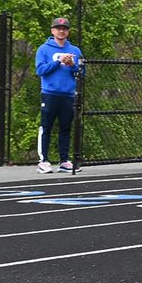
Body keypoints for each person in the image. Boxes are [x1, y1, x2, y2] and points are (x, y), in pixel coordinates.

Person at [34, 16, 83, 173]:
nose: (61, 31)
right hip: (49, 94)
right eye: (58, 29)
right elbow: (40, 70)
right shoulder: (44, 49)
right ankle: (44, 161)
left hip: (68, 95)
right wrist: (58, 62)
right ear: (52, 31)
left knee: (65, 128)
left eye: (64, 29)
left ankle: (64, 161)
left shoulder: (75, 50)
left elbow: (82, 72)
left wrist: (72, 65)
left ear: (68, 32)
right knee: (46, 127)